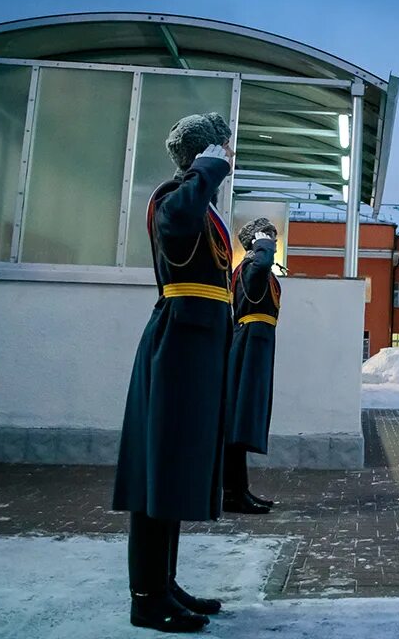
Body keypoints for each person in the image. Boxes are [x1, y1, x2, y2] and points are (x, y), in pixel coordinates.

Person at [112, 112, 234, 633]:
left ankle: (166, 582)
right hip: (177, 345)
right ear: (202, 155)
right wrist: (205, 170)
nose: (228, 161)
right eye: (220, 153)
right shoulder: (173, 198)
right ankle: (147, 596)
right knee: (158, 474)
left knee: (177, 469)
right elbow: (176, 222)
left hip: (197, 346)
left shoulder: (198, 204)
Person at [223, 218, 281, 515]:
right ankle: (233, 493)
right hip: (250, 345)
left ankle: (238, 490)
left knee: (243, 421)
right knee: (239, 421)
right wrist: (263, 243)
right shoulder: (251, 267)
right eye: (269, 237)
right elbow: (261, 264)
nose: (274, 242)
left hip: (256, 345)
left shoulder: (253, 269)